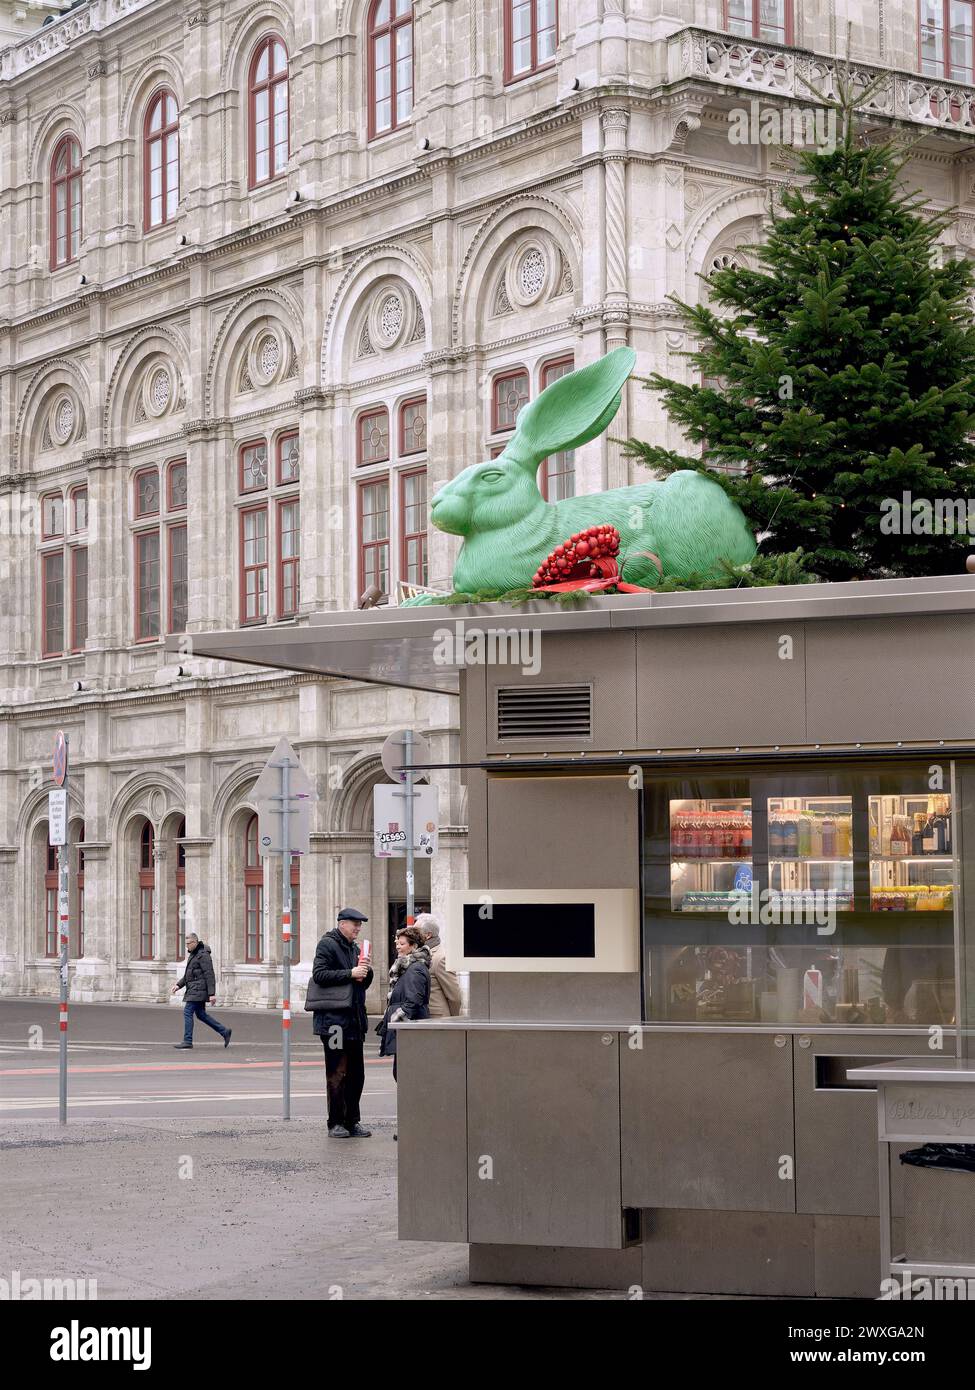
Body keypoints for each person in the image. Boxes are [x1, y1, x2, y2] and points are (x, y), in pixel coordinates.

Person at [312, 907, 375, 1139]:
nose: (358, 928)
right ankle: (336, 1122)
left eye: (360, 924)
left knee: (357, 1074)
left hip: (354, 1020)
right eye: (354, 924)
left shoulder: (354, 948)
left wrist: (365, 971)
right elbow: (319, 974)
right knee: (338, 1073)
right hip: (334, 1021)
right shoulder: (327, 944)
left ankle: (353, 1121)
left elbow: (359, 983)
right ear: (341, 923)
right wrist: (350, 972)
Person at [376, 925, 431, 1124]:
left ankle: (411, 1123)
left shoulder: (415, 969)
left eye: (401, 944)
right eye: (396, 943)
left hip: (409, 1031)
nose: (397, 947)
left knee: (407, 1077)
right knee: (404, 1075)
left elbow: (412, 1002)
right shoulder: (409, 966)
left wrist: (395, 1022)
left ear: (413, 945)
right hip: (407, 1029)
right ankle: (410, 1122)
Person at [171, 934, 231, 1050]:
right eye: (186, 944)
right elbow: (188, 975)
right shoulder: (194, 954)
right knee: (201, 1015)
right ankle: (224, 1031)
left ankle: (187, 1040)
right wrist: (178, 985)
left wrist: (212, 994)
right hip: (195, 989)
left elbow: (210, 974)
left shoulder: (203, 955)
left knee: (188, 1011)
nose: (187, 946)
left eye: (189, 943)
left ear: (195, 942)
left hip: (198, 990)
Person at [414, 912, 462, 1018]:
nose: (413, 935)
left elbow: (454, 996)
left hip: (437, 1017)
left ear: (428, 935)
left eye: (416, 931)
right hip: (422, 1016)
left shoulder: (440, 958)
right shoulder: (419, 954)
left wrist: (453, 1019)